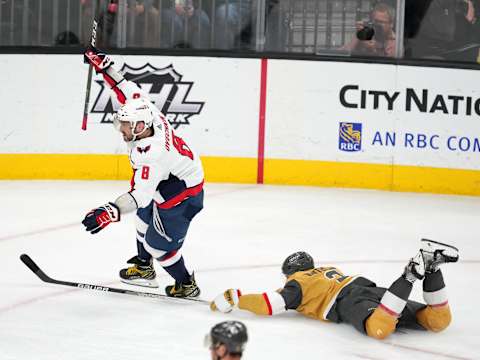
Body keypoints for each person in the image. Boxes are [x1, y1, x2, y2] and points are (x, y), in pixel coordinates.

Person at [81, 46, 204, 298]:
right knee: (141, 219)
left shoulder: (151, 153)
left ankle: (186, 284)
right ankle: (144, 268)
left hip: (181, 195)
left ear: (139, 126)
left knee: (157, 245)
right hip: (170, 179)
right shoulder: (150, 114)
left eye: (125, 125)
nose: (121, 129)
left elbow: (141, 195)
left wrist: (110, 211)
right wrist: (105, 66)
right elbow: (125, 88)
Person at [210, 239, 459, 340]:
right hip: (375, 291)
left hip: (348, 300)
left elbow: (268, 304)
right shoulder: (326, 270)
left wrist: (236, 298)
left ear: (290, 272)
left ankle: (410, 274)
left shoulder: (298, 283)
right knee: (437, 320)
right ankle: (432, 267)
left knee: (380, 328)